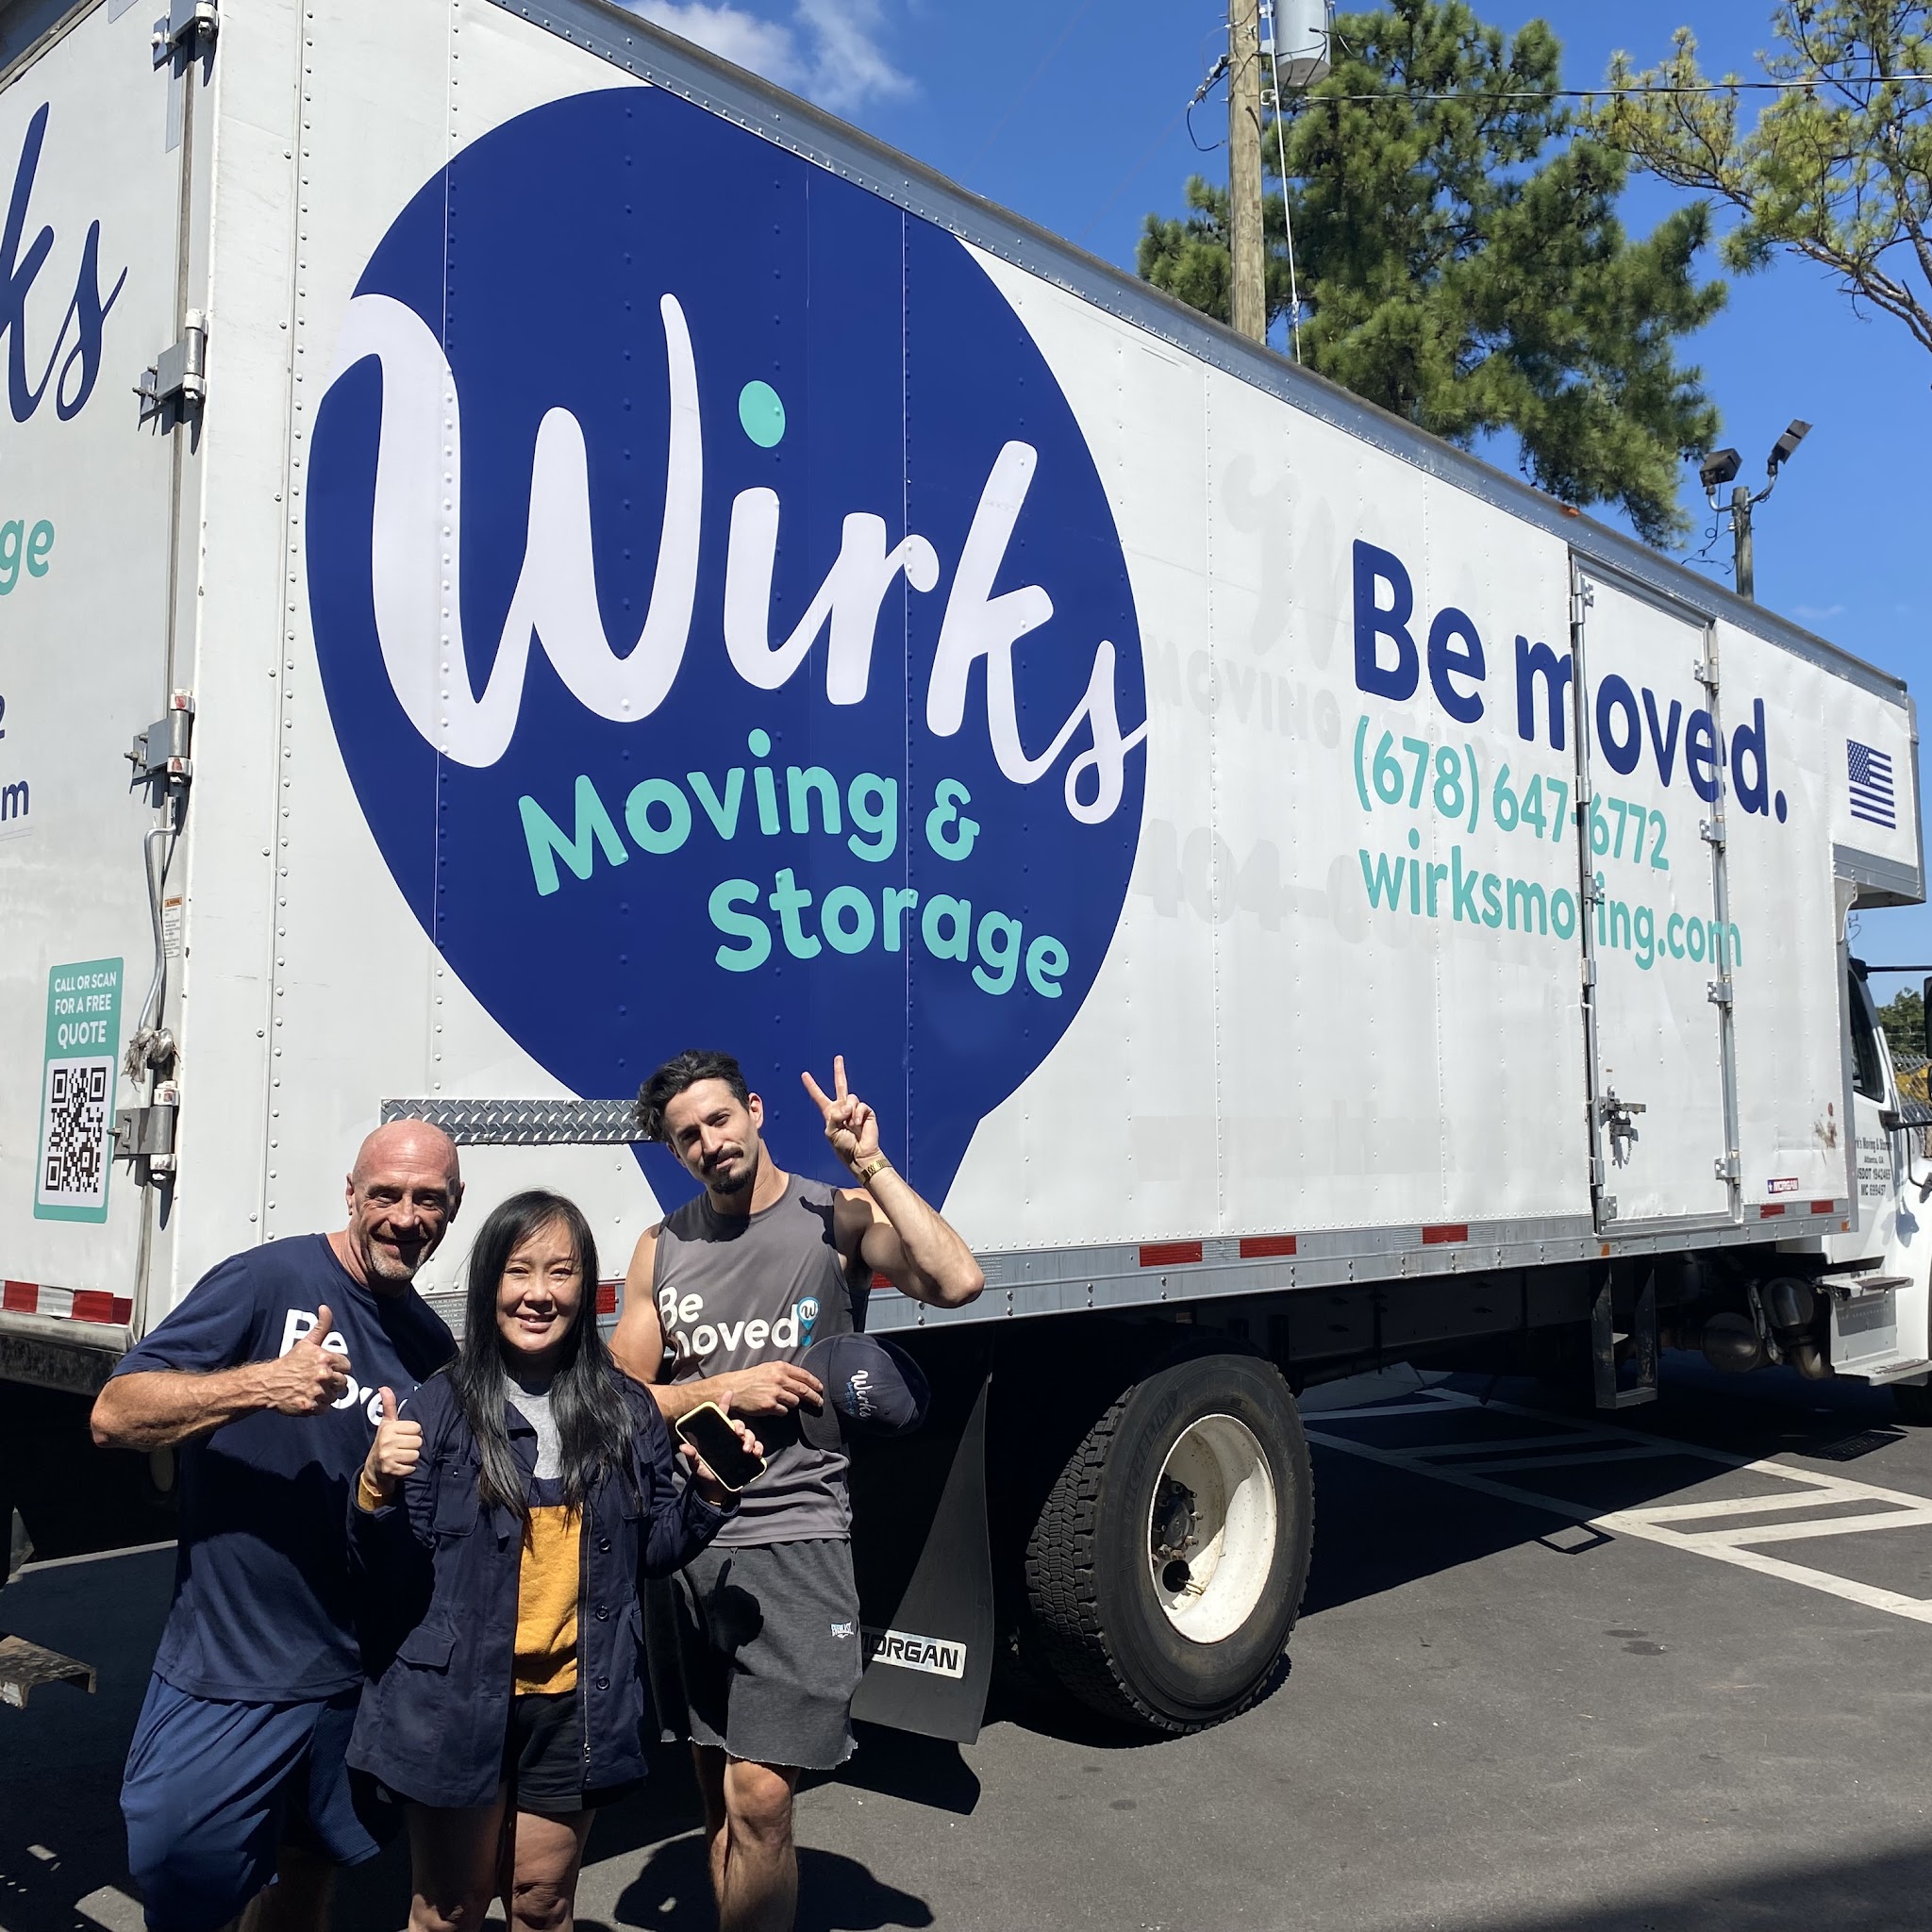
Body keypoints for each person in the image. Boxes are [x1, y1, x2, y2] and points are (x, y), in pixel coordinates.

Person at [612, 1050, 984, 1932]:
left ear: (755, 1110)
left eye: (719, 1119)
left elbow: (957, 1282)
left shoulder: (837, 1215)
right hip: (692, 1542)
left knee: (762, 1798)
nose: (709, 1143)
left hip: (798, 1536)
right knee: (717, 1789)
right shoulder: (660, 1247)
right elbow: (617, 1399)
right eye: (687, 1136)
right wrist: (722, 1390)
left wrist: (871, 1163)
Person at [91, 1120, 465, 1932]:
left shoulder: (432, 1344)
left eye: (428, 1199)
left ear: (454, 1208)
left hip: (353, 1677)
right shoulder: (269, 1279)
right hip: (231, 1672)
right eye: (386, 1195)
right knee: (189, 1898)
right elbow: (115, 1413)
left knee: (307, 1873)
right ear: (351, 1195)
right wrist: (263, 1384)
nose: (406, 1217)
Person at [347, 1189, 754, 1932]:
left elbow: (652, 1552)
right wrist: (374, 1486)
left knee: (542, 1902)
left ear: (585, 1286)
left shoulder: (626, 1408)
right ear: (489, 1286)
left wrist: (708, 1493)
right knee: (450, 1910)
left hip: (575, 1698)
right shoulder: (437, 1409)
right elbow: (387, 1573)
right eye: (518, 1271)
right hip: (456, 1696)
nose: (539, 1293)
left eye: (560, 1272)